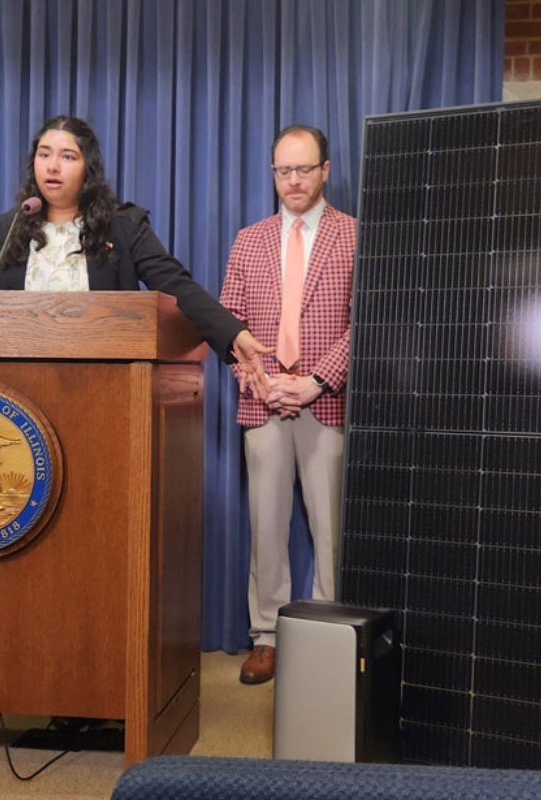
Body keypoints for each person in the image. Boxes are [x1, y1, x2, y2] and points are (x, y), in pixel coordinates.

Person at [219, 125, 356, 684]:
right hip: (264, 403)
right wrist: (260, 378)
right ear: (272, 173)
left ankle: (326, 633)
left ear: (326, 170)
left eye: (303, 169)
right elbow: (227, 322)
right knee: (266, 528)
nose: (293, 181)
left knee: (331, 530)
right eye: (283, 170)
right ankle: (266, 637)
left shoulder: (355, 235)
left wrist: (317, 380)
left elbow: (367, 322)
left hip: (329, 402)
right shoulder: (249, 240)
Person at [0, 114, 269, 376]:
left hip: (104, 380)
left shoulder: (121, 225)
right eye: (44, 155)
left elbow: (176, 286)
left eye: (68, 157)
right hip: (19, 381)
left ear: (88, 169)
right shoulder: (9, 228)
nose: (53, 166)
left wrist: (234, 334)